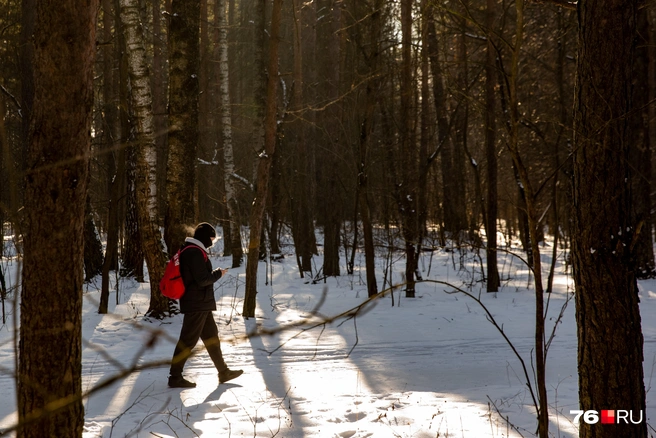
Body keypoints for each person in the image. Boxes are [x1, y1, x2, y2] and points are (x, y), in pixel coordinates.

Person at [168, 222, 243, 388]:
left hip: (200, 302)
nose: (212, 242)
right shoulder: (194, 252)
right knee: (187, 340)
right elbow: (202, 280)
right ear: (204, 237)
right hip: (196, 303)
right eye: (211, 238)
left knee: (211, 337)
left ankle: (223, 372)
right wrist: (218, 273)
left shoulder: (191, 250)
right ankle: (175, 377)